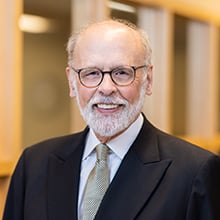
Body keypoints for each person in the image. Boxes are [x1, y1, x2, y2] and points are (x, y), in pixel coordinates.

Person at [3, 19, 220, 220]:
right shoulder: (34, 165)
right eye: (91, 73)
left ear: (148, 79)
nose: (106, 88)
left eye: (122, 73)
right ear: (71, 81)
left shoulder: (194, 172)